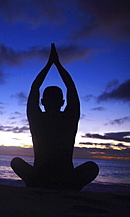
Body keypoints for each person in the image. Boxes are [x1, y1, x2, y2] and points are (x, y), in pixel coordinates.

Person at [11, 43, 99, 191]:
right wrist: (57, 64)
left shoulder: (37, 118)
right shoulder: (69, 118)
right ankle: (68, 186)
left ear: (42, 102)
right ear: (63, 102)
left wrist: (49, 65)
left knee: (16, 162)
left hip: (39, 177)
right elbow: (71, 87)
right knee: (92, 167)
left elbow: (35, 88)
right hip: (66, 177)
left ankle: (35, 185)